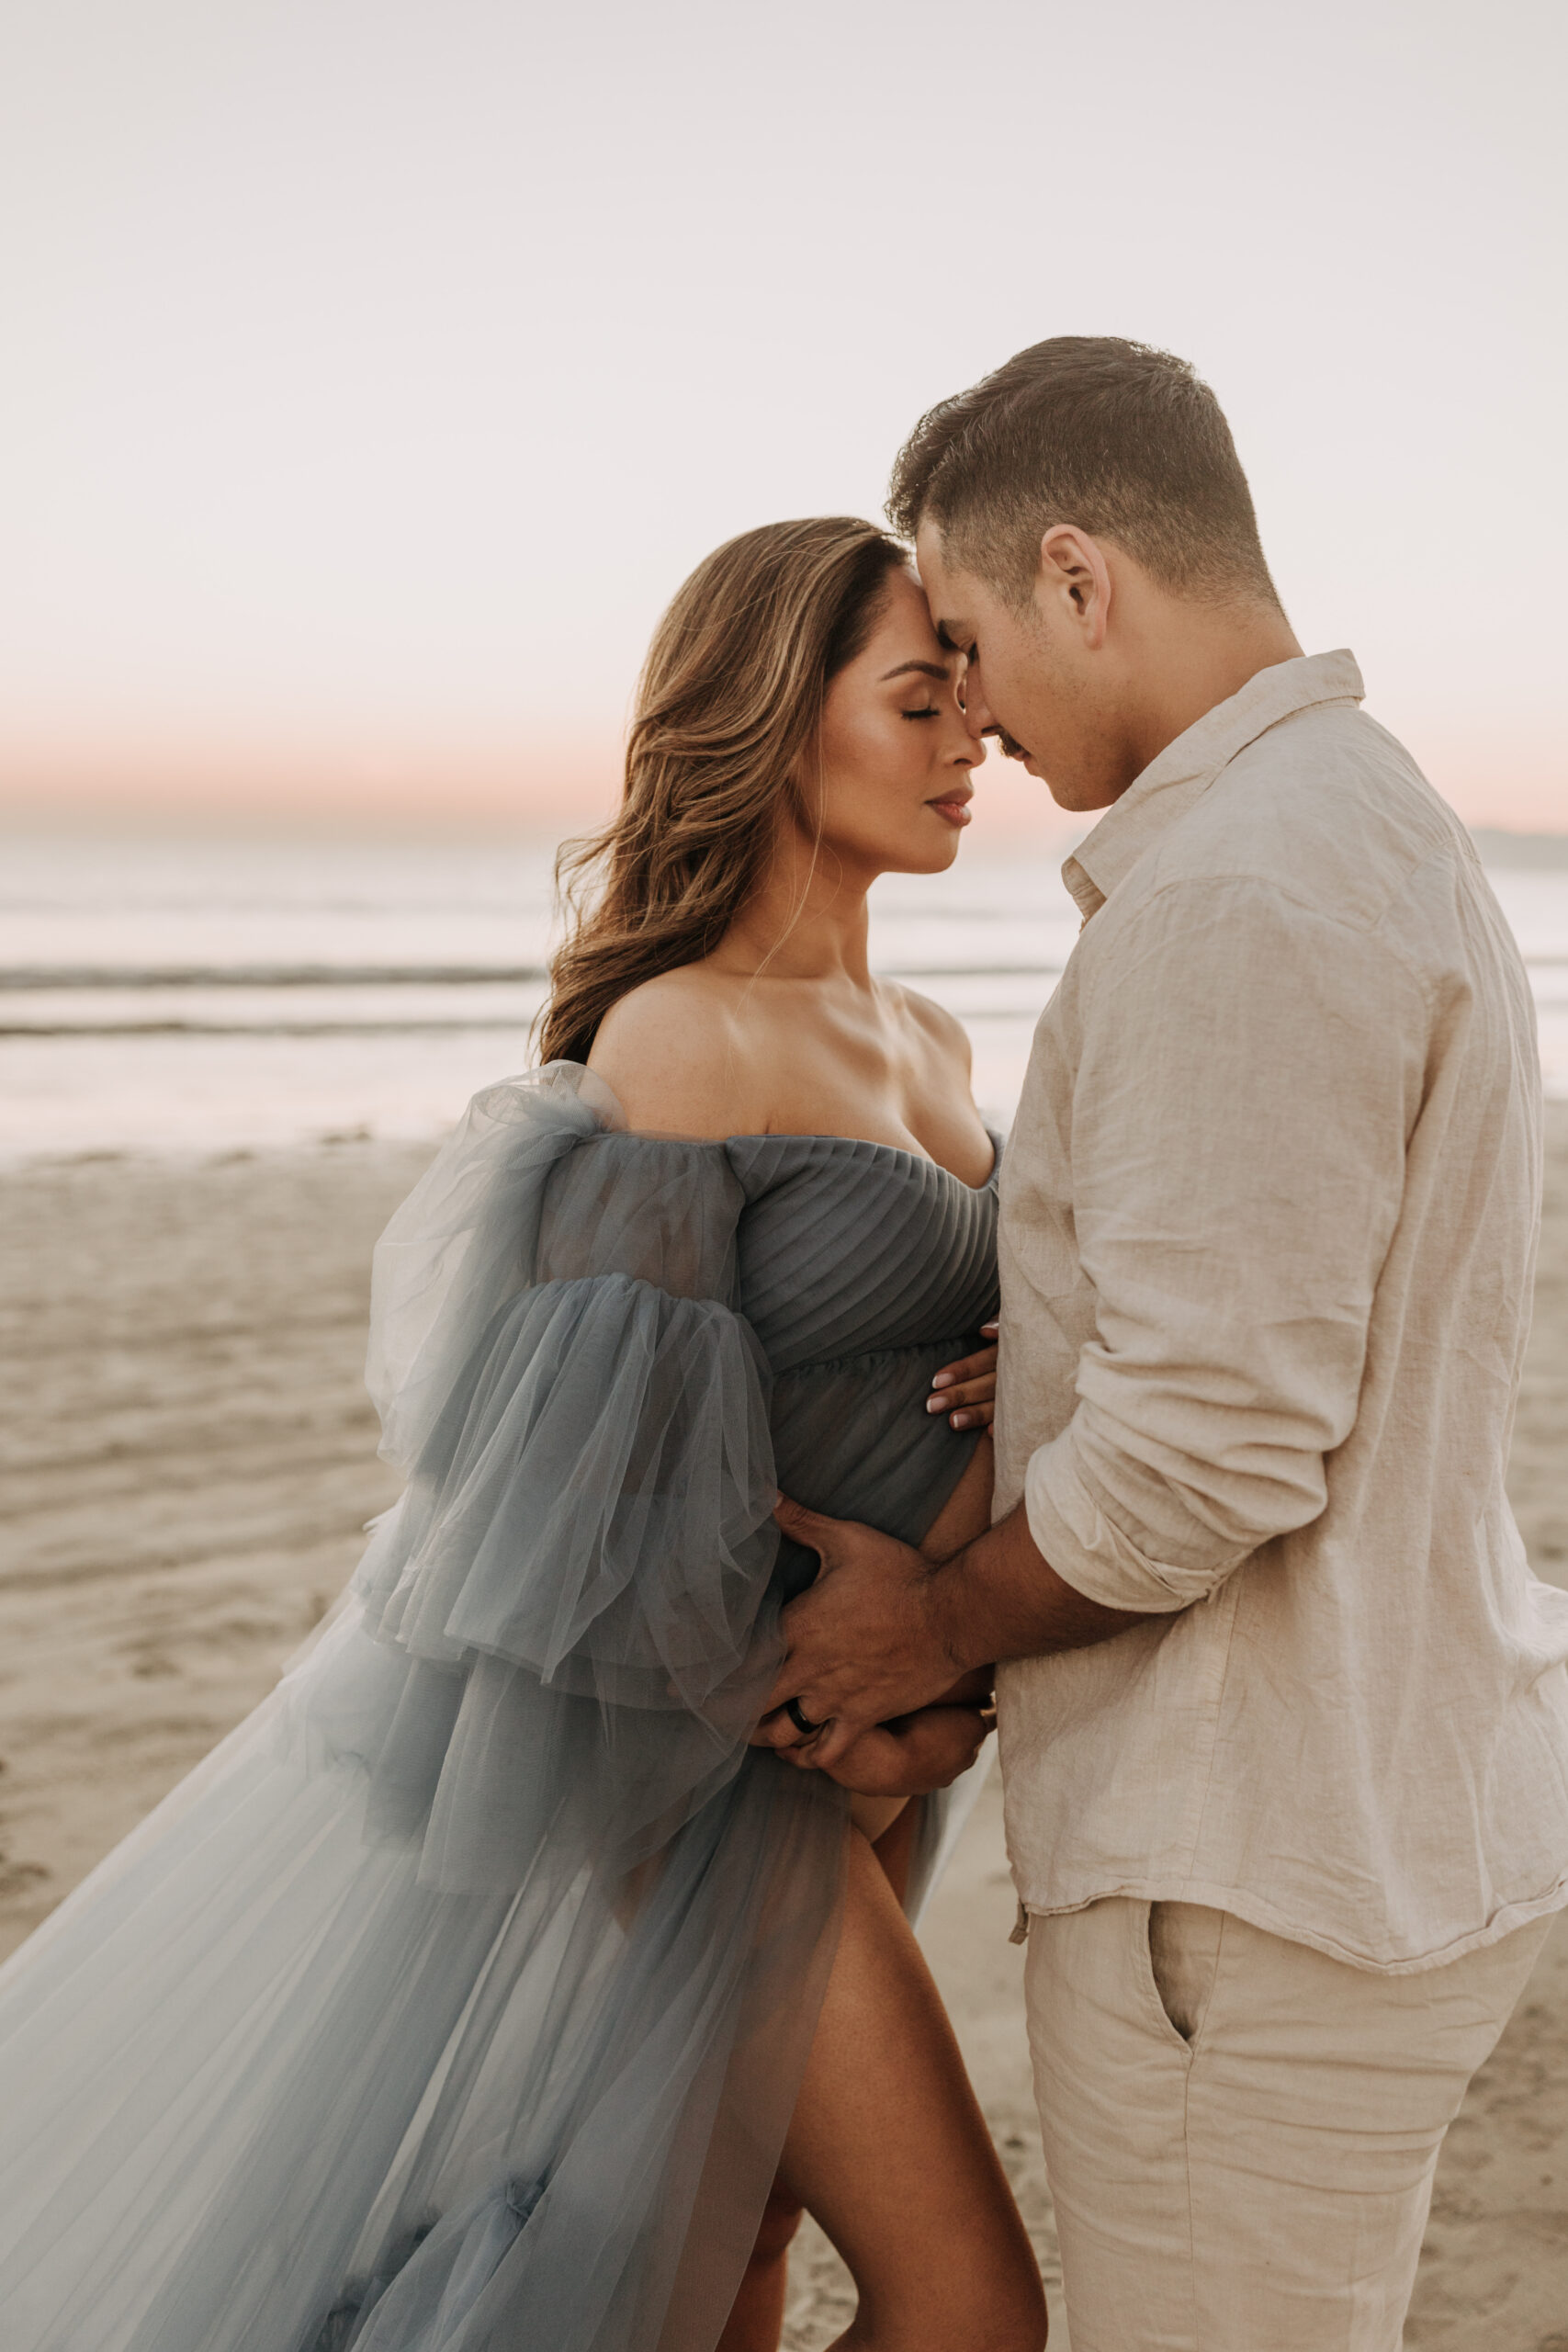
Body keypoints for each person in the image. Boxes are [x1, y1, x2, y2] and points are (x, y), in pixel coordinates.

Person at [0, 515, 1045, 2352]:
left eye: (970, 702)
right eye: (917, 699)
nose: (976, 739)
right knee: (963, 2302)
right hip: (733, 1771)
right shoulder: (683, 1041)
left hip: (889, 1751)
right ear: (773, 724)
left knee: (725, 2260)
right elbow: (578, 1521)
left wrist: (953, 1642)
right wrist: (865, 1702)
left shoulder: (938, 1033)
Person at [757, 336, 1568, 2352]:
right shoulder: (1366, 823)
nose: (974, 710)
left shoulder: (1232, 893)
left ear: (1076, 577)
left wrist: (923, 1626)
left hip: (1249, 1874)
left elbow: (1206, 1452)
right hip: (1360, 1816)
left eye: (967, 637)